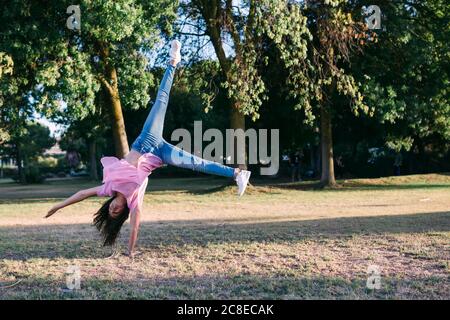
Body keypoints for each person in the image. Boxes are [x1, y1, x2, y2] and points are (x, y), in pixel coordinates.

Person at [45, 41, 251, 257]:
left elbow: (82, 193)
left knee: (160, 102)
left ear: (108, 205)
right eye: (117, 214)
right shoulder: (133, 200)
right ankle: (238, 173)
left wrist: (58, 206)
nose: (114, 210)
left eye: (111, 210)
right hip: (160, 153)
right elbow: (135, 226)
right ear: (122, 212)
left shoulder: (109, 188)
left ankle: (173, 62)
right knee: (197, 163)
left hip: (144, 143)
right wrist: (130, 252)